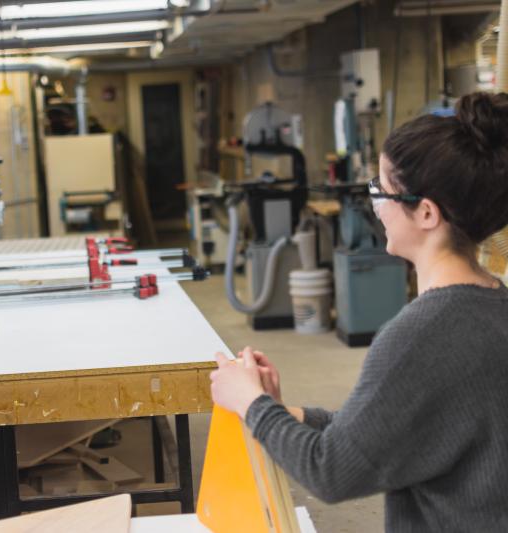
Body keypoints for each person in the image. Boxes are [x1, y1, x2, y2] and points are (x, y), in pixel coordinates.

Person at [210, 92, 508, 532]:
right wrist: (280, 411)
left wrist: (249, 403)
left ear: (426, 213)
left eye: (382, 191)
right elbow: (383, 430)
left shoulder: (422, 334)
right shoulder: (493, 303)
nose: (377, 205)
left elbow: (331, 471)